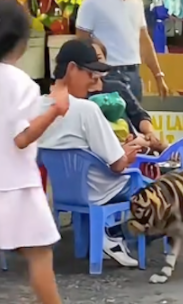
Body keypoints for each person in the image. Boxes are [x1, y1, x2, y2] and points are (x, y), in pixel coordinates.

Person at [0, 1, 105, 304]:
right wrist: (56, 110)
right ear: (21, 43)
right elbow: (21, 138)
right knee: (39, 258)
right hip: (17, 184)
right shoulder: (18, 82)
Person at [38, 39, 142, 267]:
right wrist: (128, 152)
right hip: (101, 190)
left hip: (64, 193)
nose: (94, 82)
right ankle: (114, 235)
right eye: (90, 75)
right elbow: (117, 165)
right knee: (150, 186)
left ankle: (105, 236)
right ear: (73, 69)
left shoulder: (37, 106)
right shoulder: (86, 109)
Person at [75, 0, 169, 101]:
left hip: (133, 74)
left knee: (137, 116)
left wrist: (158, 75)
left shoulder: (136, 2)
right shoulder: (92, 3)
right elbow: (82, 42)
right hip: (106, 74)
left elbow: (143, 39)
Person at [89, 39, 168, 153]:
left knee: (167, 148)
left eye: (99, 58)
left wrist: (149, 133)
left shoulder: (117, 87)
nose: (96, 64)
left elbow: (139, 114)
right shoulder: (78, 96)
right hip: (108, 152)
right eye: (91, 60)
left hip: (135, 144)